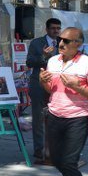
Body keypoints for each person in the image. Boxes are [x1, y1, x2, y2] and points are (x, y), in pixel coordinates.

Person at [40, 27, 88, 176]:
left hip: (78, 118)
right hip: (54, 115)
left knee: (69, 162)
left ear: (78, 44)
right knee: (56, 160)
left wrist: (77, 86)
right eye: (59, 40)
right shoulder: (52, 61)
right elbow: (50, 89)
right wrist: (43, 81)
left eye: (65, 41)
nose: (60, 43)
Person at [27, 18, 61, 164]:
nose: (56, 31)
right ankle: (39, 151)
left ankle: (56, 151)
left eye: (58, 28)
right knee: (39, 119)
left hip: (59, 86)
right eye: (53, 28)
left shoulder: (63, 43)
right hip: (39, 85)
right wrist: (44, 57)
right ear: (47, 29)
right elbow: (29, 62)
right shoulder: (36, 43)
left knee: (59, 119)